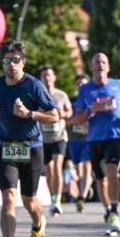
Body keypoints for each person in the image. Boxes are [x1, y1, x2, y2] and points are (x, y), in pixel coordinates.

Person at [0, 40, 58, 237]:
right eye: (7, 60)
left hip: (31, 146)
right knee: (8, 197)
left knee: (29, 200)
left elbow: (54, 115)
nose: (11, 64)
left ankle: (38, 222)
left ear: (23, 62)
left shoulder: (34, 85)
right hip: (5, 146)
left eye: (15, 60)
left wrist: (29, 114)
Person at [71, 52, 120, 236]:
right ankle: (108, 210)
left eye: (103, 62)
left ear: (108, 67)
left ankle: (115, 211)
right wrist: (91, 110)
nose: (100, 65)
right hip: (95, 138)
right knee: (100, 180)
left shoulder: (118, 85)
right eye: (97, 62)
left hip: (115, 135)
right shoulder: (85, 90)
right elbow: (78, 119)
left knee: (112, 172)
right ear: (91, 67)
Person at [38, 66, 72, 216]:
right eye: (44, 76)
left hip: (60, 136)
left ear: (54, 78)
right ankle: (53, 199)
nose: (47, 78)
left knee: (58, 167)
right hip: (44, 138)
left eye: (49, 75)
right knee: (49, 171)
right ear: (41, 79)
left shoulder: (61, 95)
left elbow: (70, 112)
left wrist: (61, 114)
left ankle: (57, 200)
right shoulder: (38, 95)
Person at [65, 72, 91, 212]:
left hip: (89, 139)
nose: (80, 86)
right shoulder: (71, 100)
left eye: (83, 83)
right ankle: (84, 187)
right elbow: (65, 117)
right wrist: (73, 121)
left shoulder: (93, 99)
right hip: (74, 139)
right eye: (78, 83)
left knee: (87, 165)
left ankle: (82, 197)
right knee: (78, 170)